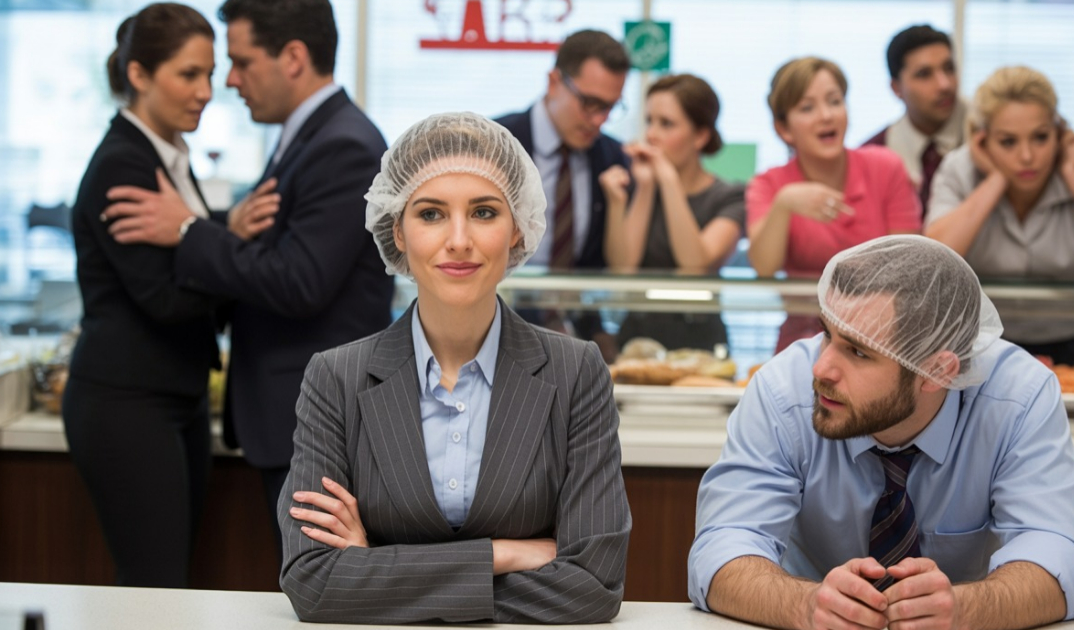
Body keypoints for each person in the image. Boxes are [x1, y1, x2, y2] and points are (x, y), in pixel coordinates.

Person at [278, 112, 631, 624]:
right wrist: (505, 555)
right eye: (431, 214)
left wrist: (375, 566)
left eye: (485, 212)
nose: (459, 239)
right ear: (396, 230)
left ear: (517, 229)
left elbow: (595, 586)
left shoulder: (576, 372)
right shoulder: (336, 378)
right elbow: (312, 581)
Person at [99, 0, 394, 550]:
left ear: (294, 58)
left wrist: (190, 231)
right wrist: (218, 230)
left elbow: (300, 280)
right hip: (291, 418)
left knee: (321, 591)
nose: (227, 83)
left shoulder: (344, 145)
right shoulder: (308, 137)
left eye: (239, 62)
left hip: (317, 420)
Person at [689, 235, 1074, 630]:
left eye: (859, 352)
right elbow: (722, 547)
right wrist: (804, 606)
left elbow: (1060, 557)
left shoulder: (1019, 398)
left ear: (937, 371)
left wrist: (965, 611)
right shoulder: (782, 390)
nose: (821, 369)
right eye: (828, 333)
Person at [64, 2, 267, 588]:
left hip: (172, 396)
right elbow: (166, 297)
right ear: (139, 75)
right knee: (154, 585)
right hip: (126, 401)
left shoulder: (167, 155)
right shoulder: (123, 164)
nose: (206, 91)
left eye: (210, 73)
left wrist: (215, 236)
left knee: (170, 583)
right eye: (188, 74)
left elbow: (188, 265)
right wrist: (233, 250)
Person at [926, 66, 1074, 366]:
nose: (1027, 156)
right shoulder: (959, 167)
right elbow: (936, 258)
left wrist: (1071, 174)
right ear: (981, 140)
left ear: (1059, 133)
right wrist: (996, 179)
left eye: (1041, 137)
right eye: (1008, 141)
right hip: (984, 341)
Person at [746, 57, 921, 352]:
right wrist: (784, 204)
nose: (826, 115)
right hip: (802, 342)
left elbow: (911, 265)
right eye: (807, 107)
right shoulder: (769, 184)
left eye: (835, 101)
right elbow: (764, 267)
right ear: (783, 128)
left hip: (882, 339)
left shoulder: (885, 167)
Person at [495, 29, 630, 359]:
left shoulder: (611, 157)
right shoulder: (495, 144)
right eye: (590, 103)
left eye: (610, 108)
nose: (599, 120)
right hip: (494, 327)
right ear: (554, 82)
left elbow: (604, 267)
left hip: (573, 342)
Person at [599, 73, 744, 352]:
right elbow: (622, 268)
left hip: (701, 342)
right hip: (637, 340)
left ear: (700, 136)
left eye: (666, 124)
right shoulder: (638, 186)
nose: (652, 134)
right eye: (649, 121)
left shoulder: (729, 196)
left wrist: (668, 181)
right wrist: (643, 190)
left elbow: (694, 266)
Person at [864, 25, 966, 217]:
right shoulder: (874, 155)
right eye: (924, 74)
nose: (944, 84)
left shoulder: (995, 137)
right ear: (896, 88)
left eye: (949, 68)